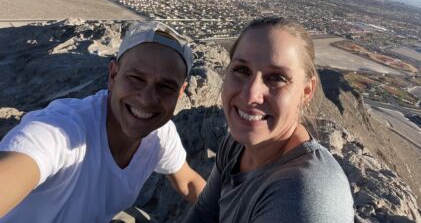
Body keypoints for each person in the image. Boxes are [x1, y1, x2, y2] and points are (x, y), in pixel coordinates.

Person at [0, 21, 206, 222]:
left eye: (166, 87)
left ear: (180, 93)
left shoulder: (160, 135)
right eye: (136, 78)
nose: (147, 99)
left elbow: (188, 182)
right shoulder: (61, 130)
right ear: (113, 75)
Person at [183, 17, 354, 222]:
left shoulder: (303, 198)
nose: (250, 95)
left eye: (277, 78)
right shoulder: (236, 146)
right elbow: (204, 214)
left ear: (306, 92)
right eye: (241, 70)